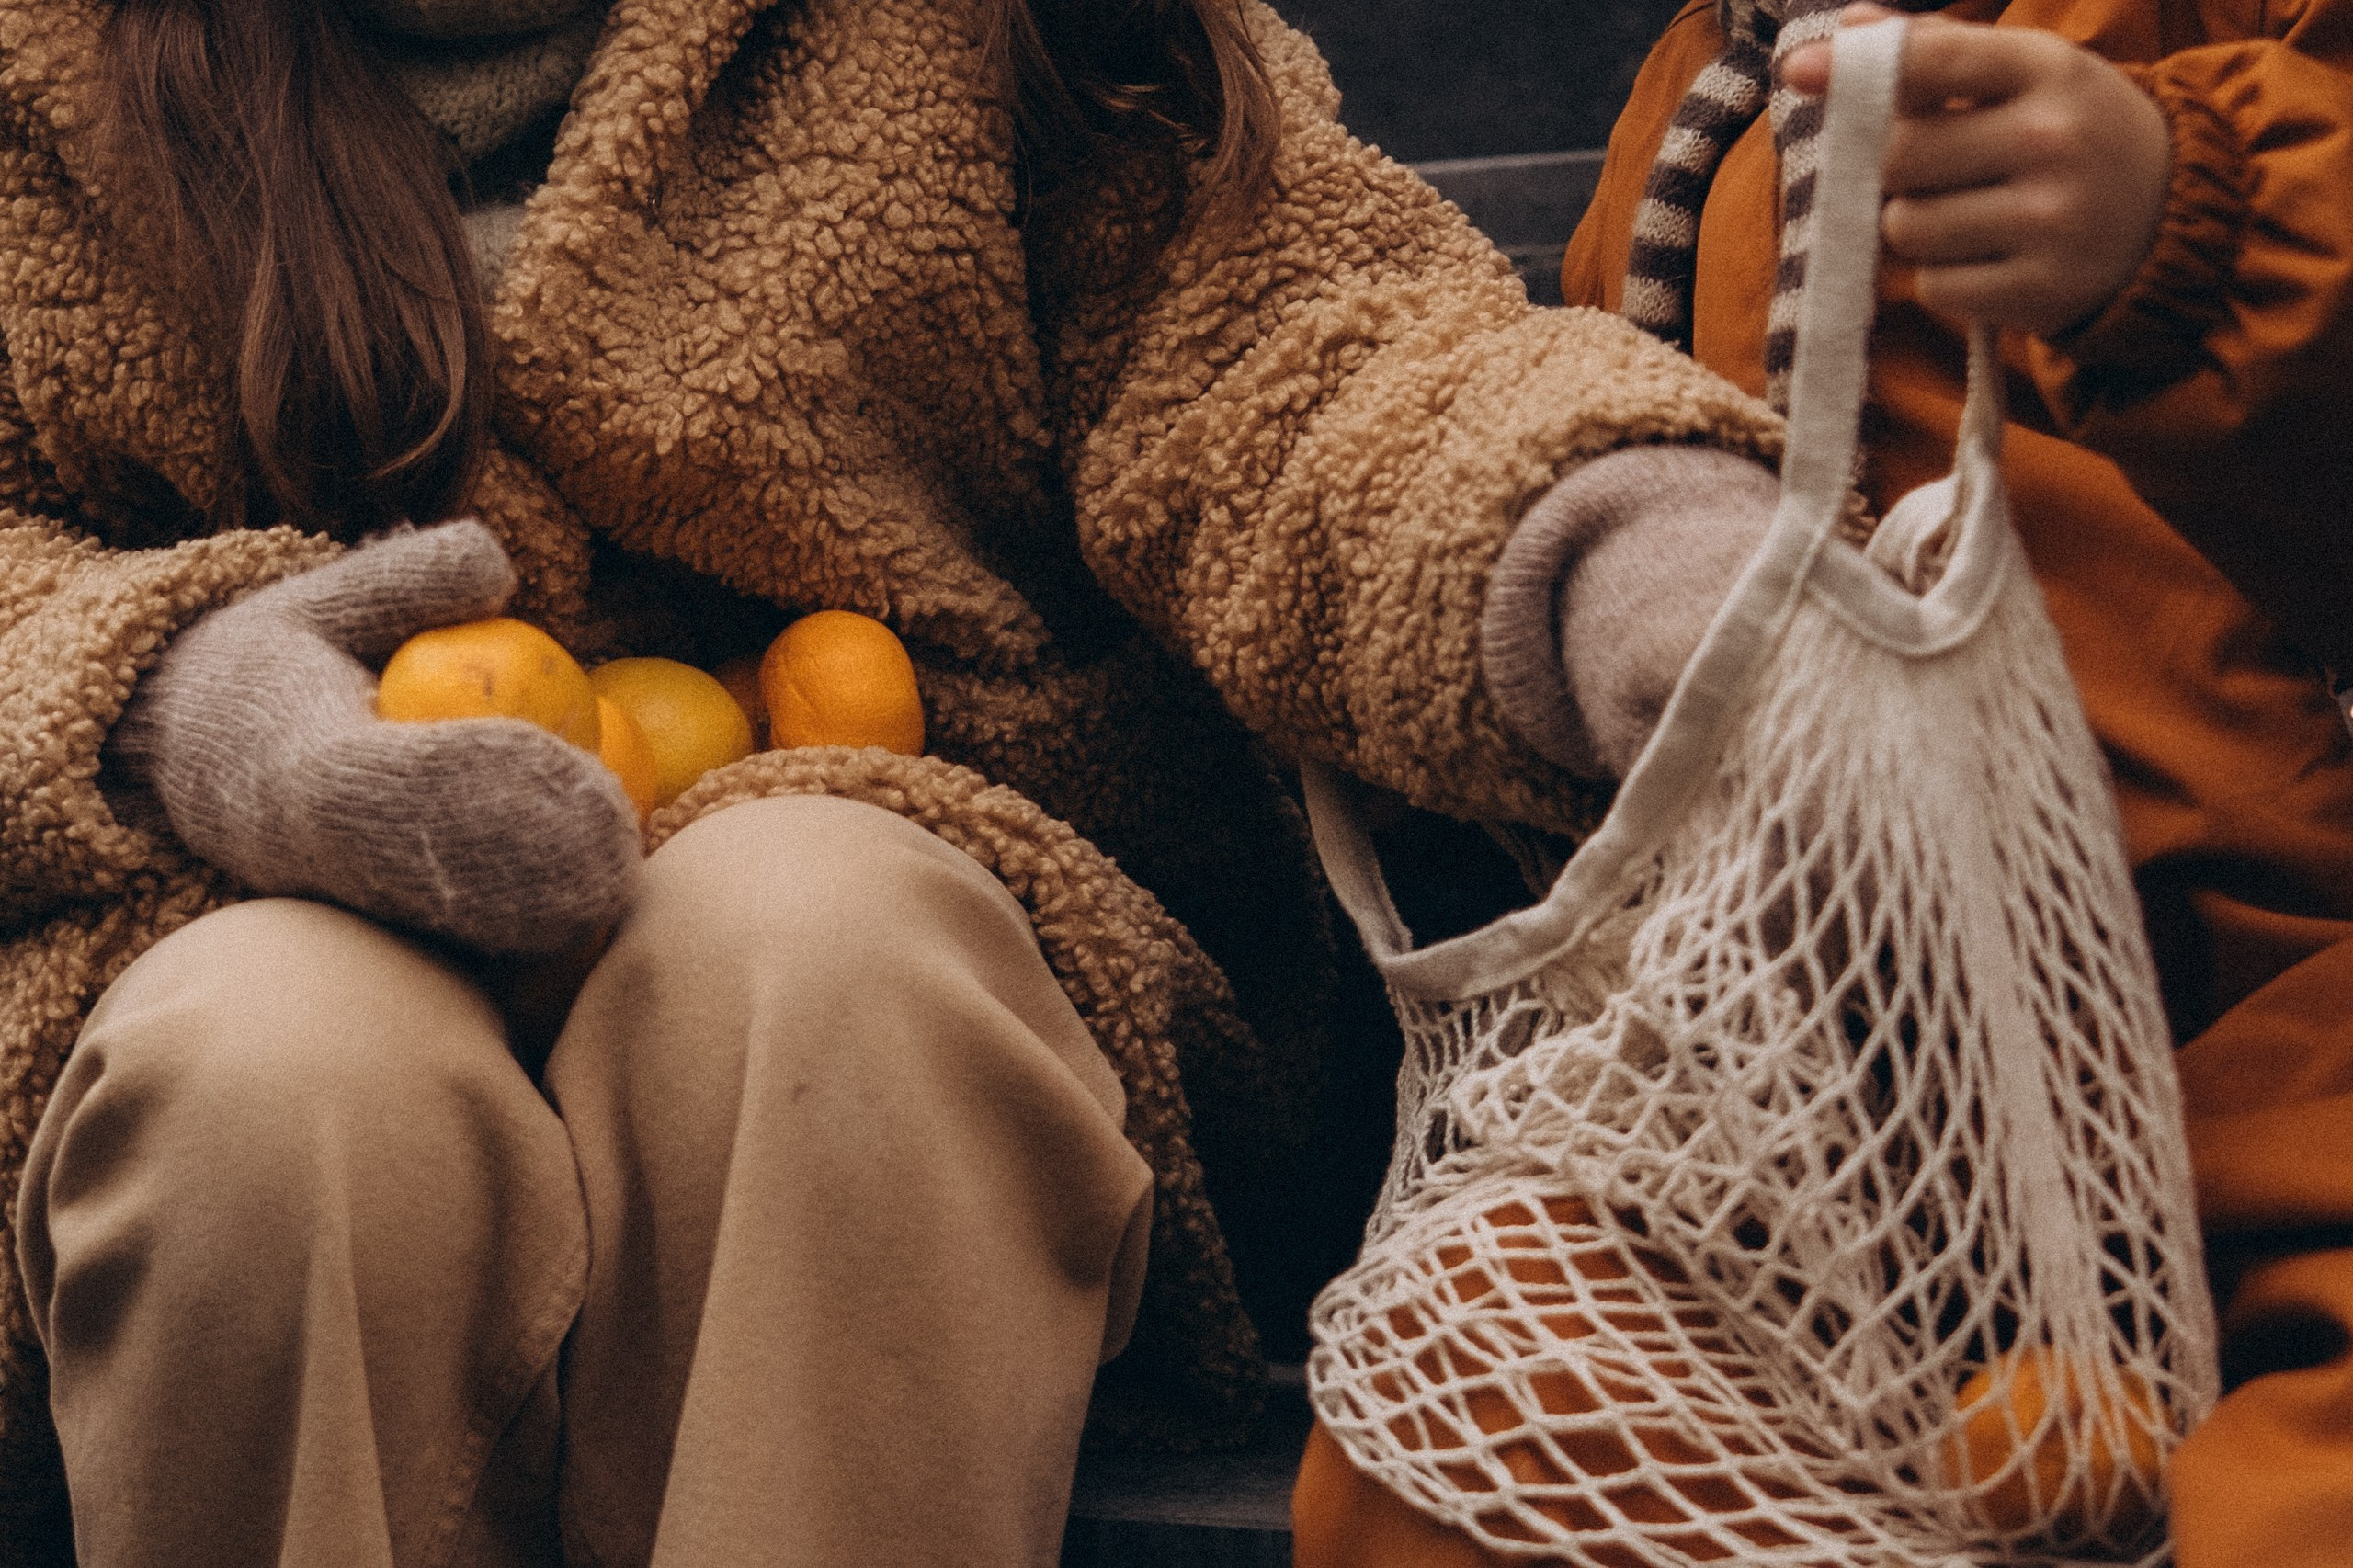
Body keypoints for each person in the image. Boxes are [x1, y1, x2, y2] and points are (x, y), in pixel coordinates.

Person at [0, 0, 1795, 1563]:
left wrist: (1605, 542)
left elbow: (1292, 340)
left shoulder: (994, 31)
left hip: (932, 897)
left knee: (810, 944)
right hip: (234, 909)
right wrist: (177, 704)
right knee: (262, 1067)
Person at [1292, 0, 2353, 1563]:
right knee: (1460, 1412)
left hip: (2290, 1073)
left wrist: (2195, 227)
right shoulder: (1700, 100)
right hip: (1854, 1129)